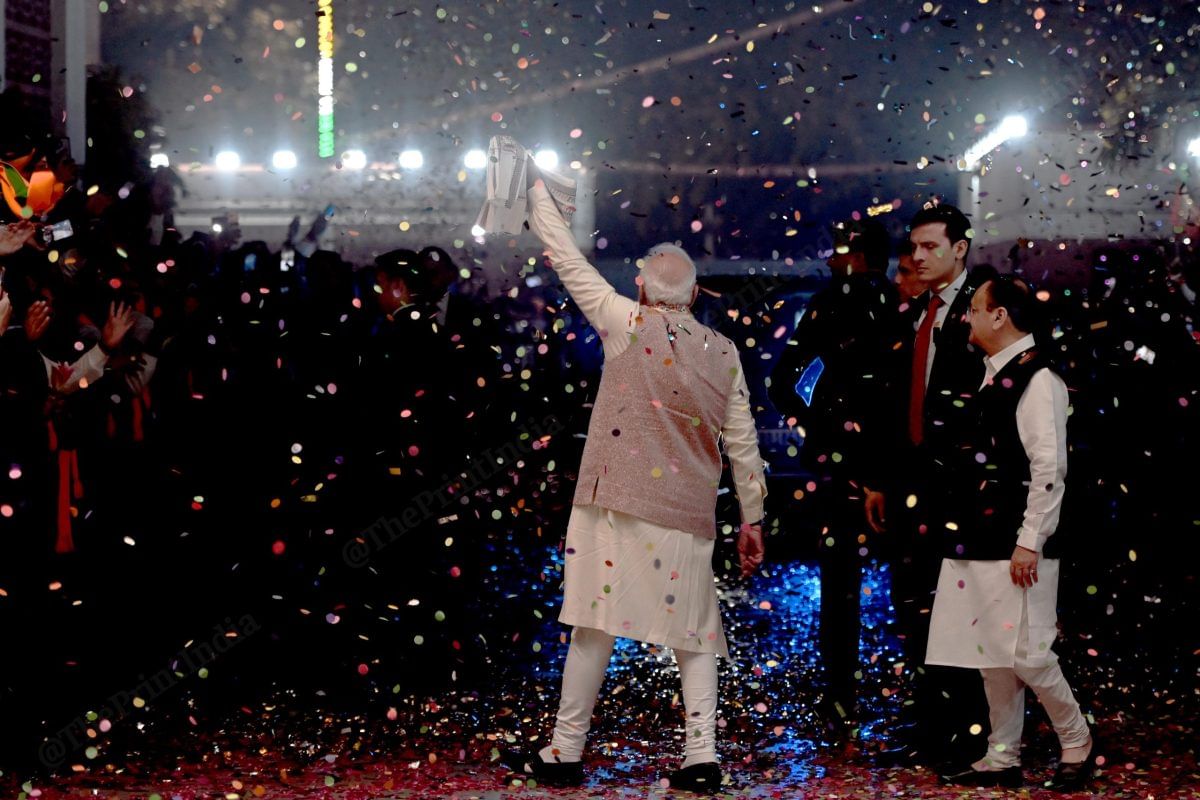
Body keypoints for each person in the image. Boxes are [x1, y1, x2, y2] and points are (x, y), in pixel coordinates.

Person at [503, 154, 767, 792]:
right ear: (697, 295)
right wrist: (753, 519)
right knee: (696, 635)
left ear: (645, 289)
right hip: (688, 512)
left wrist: (537, 191)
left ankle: (566, 752)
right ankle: (700, 757)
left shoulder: (626, 322)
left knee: (593, 623)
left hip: (615, 504)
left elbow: (567, 259)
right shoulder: (725, 353)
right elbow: (744, 444)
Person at [931, 276, 1098, 790]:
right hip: (980, 536)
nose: (967, 317)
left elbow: (1049, 466)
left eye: (976, 309)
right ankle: (1002, 753)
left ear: (1000, 316)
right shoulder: (995, 374)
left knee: (1028, 652)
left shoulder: (1037, 378)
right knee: (991, 654)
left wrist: (1031, 539)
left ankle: (1077, 740)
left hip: (1015, 540)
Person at [861, 201, 994, 767]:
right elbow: (898, 404)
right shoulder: (917, 313)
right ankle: (933, 724)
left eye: (930, 247)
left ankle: (970, 732)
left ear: (959, 248)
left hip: (962, 489)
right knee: (915, 606)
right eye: (913, 248)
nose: (917, 258)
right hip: (913, 485)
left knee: (964, 609)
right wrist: (880, 480)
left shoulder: (983, 306)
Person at [767, 217, 899, 735]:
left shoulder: (829, 304)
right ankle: (924, 704)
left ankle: (840, 704)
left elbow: (782, 382)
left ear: (860, 257)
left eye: (839, 250)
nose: (828, 259)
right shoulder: (905, 306)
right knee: (917, 590)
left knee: (840, 591)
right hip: (900, 465)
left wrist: (819, 435)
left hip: (841, 469)